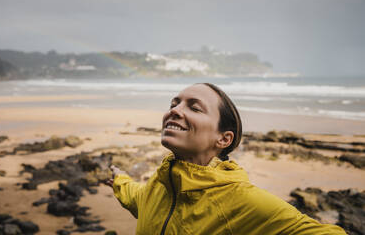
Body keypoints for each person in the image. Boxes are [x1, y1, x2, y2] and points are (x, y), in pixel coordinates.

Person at [106, 83, 347, 235]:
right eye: (174, 103)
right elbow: (137, 198)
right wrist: (119, 180)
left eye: (195, 108)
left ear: (223, 139)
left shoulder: (243, 201)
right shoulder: (159, 187)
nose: (175, 110)